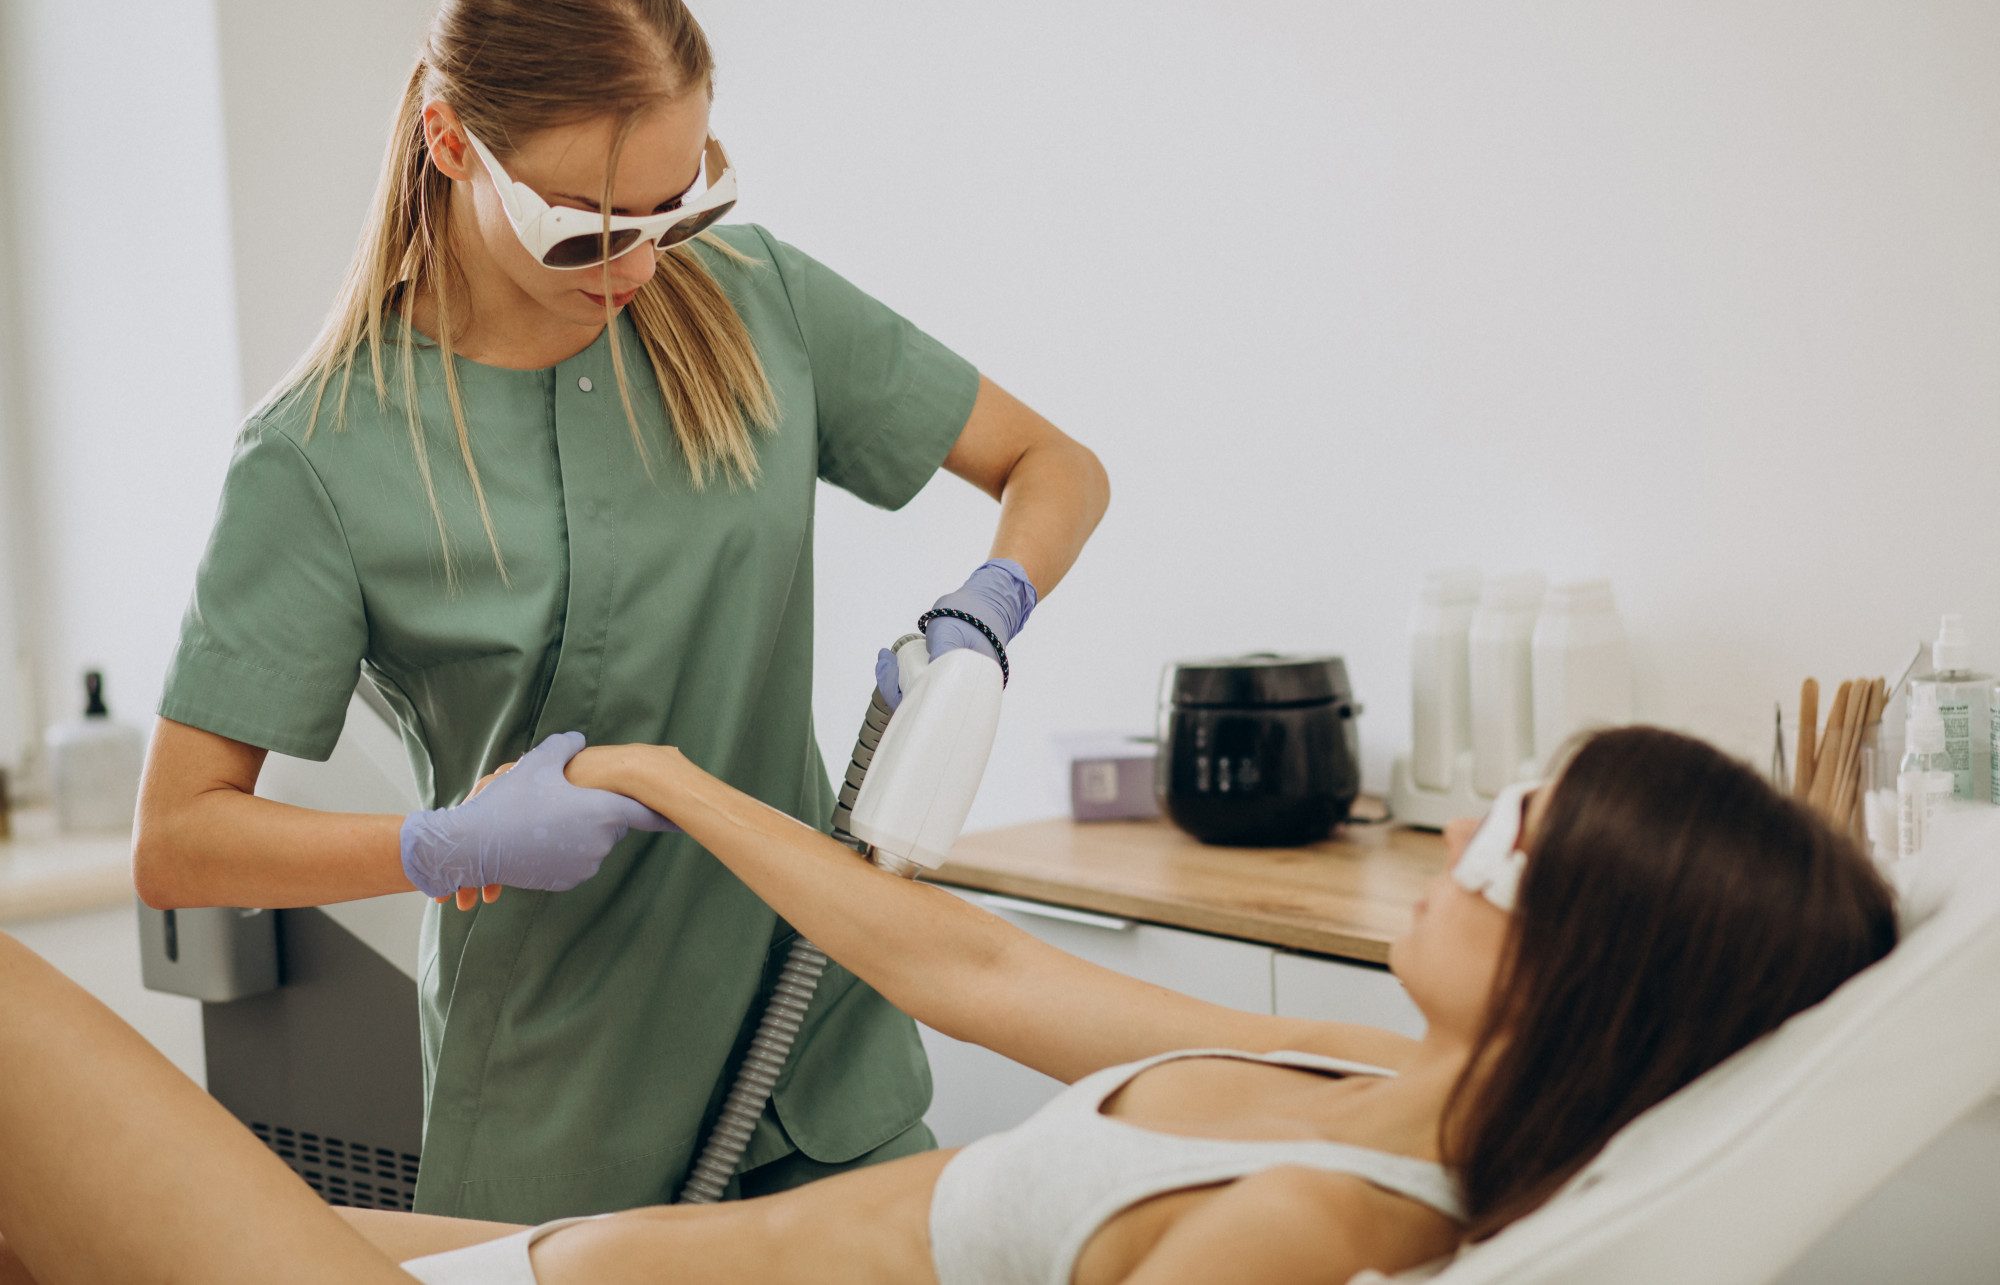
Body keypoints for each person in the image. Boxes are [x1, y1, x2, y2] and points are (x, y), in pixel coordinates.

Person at [132, 0, 1108, 1223]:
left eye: (675, 208)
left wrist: (990, 606)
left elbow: (1054, 467)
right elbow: (179, 841)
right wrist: (440, 846)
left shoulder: (755, 304)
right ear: (451, 142)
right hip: (559, 1100)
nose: (640, 267)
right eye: (588, 228)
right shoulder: (320, 454)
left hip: (818, 1055)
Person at [1, 726, 1896, 1281]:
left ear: (1589, 959)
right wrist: (663, 778)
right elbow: (970, 966)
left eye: (1520, 839)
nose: (1468, 834)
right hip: (544, 1258)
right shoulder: (1357, 1075)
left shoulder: (1319, 1220)